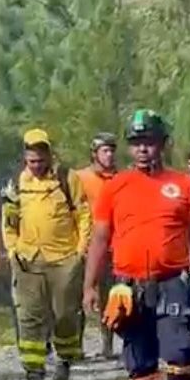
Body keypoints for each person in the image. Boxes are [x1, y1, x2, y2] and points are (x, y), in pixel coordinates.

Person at [83, 109, 190, 380]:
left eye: (149, 142)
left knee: (180, 354)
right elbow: (99, 238)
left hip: (173, 282)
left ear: (162, 144)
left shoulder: (185, 186)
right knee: (140, 364)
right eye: (137, 143)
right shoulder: (115, 187)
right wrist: (90, 286)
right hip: (129, 288)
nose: (143, 149)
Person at [1, 129, 90, 380]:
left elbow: (84, 214)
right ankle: (34, 371)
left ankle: (64, 361)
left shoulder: (66, 178)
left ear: (49, 156)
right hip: (28, 260)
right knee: (29, 316)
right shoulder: (16, 183)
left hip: (64, 259)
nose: (37, 166)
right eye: (31, 161)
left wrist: (80, 250)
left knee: (64, 315)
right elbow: (9, 220)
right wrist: (13, 249)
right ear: (25, 159)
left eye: (40, 160)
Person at [77, 132, 121, 359]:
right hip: (85, 246)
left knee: (110, 297)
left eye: (112, 150)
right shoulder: (81, 177)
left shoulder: (120, 178)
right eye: (105, 150)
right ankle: (76, 345)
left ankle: (108, 344)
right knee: (79, 296)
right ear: (95, 153)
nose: (110, 155)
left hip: (113, 246)